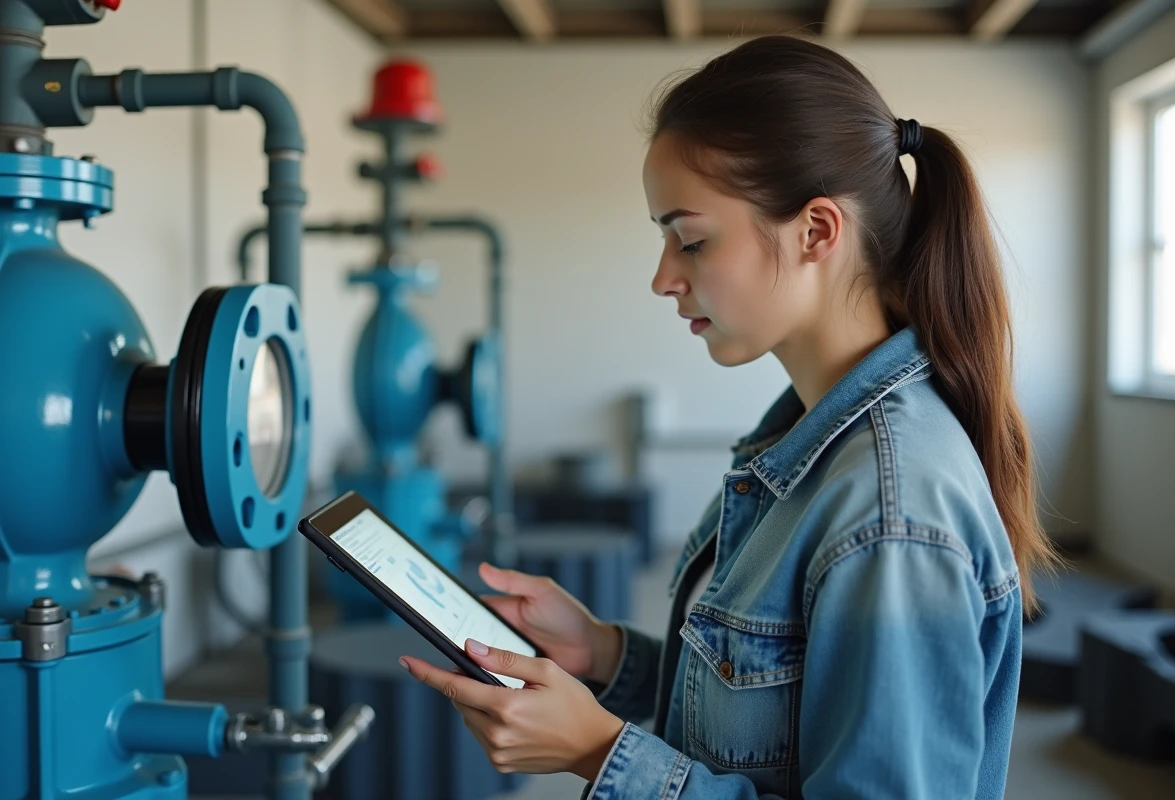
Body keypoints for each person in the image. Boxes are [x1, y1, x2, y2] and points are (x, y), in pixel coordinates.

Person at [399, 33, 1059, 799]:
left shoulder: (888, 506)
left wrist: (602, 754)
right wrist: (609, 656)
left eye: (691, 239)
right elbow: (772, 713)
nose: (663, 278)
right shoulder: (800, 443)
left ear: (816, 230)